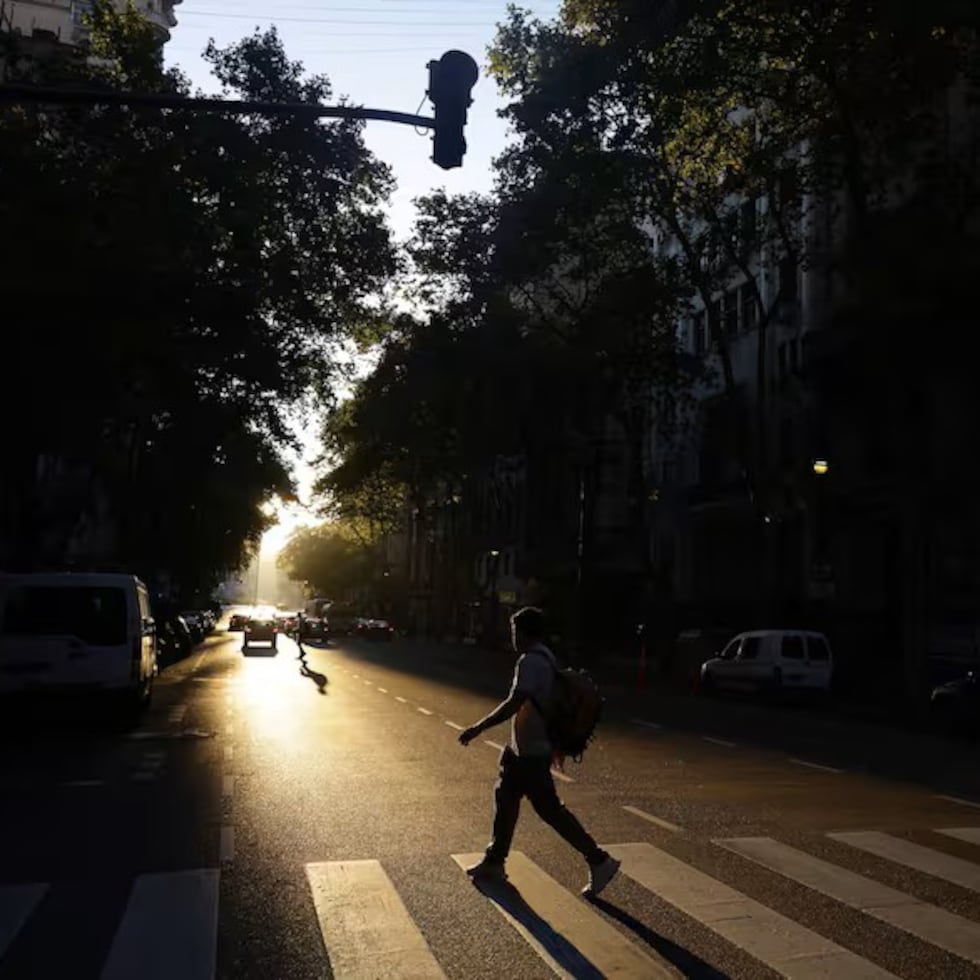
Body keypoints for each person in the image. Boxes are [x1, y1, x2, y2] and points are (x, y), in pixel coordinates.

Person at [458, 606, 620, 897]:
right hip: (523, 749)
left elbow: (514, 702)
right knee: (506, 797)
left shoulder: (531, 662)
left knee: (549, 810)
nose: (512, 637)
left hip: (532, 750)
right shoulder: (545, 657)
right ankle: (494, 860)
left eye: (514, 631)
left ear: (522, 632)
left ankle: (599, 860)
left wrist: (478, 728)